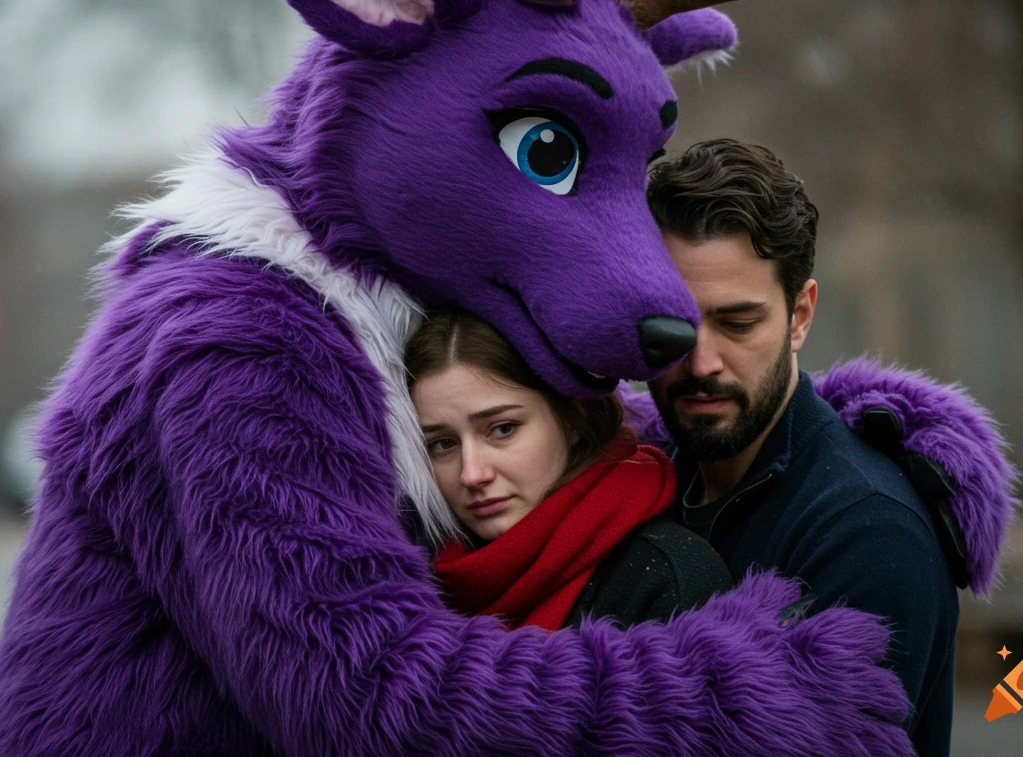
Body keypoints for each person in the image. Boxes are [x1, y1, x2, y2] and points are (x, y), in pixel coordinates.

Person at [645, 139, 959, 756]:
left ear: (800, 316)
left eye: (738, 324)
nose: (701, 361)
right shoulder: (645, 480)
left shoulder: (868, 532)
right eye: (674, 323)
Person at [405, 310, 734, 631]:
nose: (472, 475)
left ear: (573, 418)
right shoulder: (408, 586)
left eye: (502, 429)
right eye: (443, 444)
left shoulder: (669, 579)